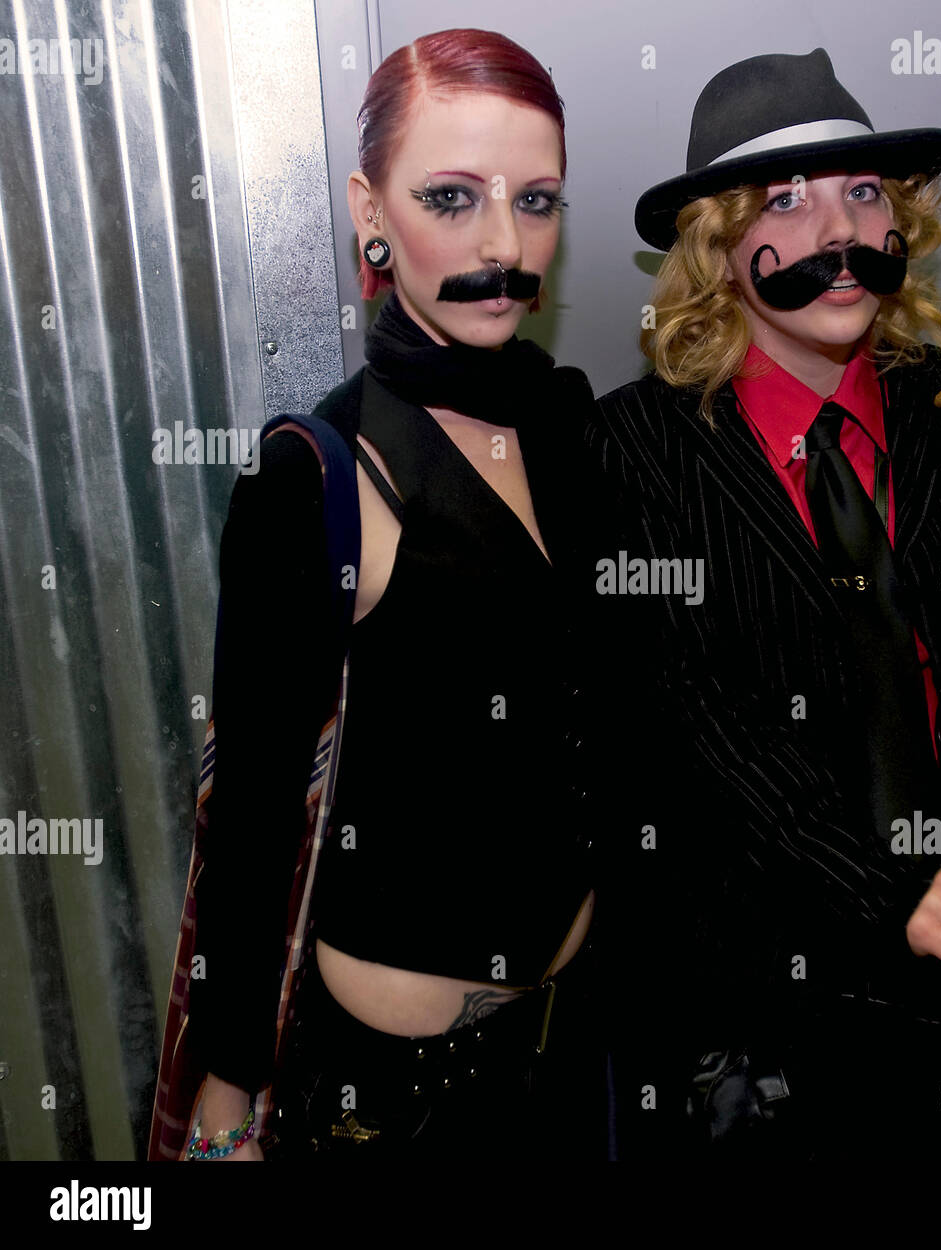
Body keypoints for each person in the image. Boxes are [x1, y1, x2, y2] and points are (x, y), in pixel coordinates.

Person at [585, 47, 941, 1159]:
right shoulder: (633, 446)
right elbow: (705, 721)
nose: (836, 234)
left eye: (862, 192)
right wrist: (901, 881)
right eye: (786, 202)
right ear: (716, 247)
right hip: (747, 992)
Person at [159, 29, 615, 1161]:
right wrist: (227, 1103)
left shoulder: (567, 426)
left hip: (571, 1054)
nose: (504, 244)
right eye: (450, 198)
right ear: (371, 208)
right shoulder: (315, 474)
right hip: (392, 1102)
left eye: (538, 199)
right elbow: (254, 821)